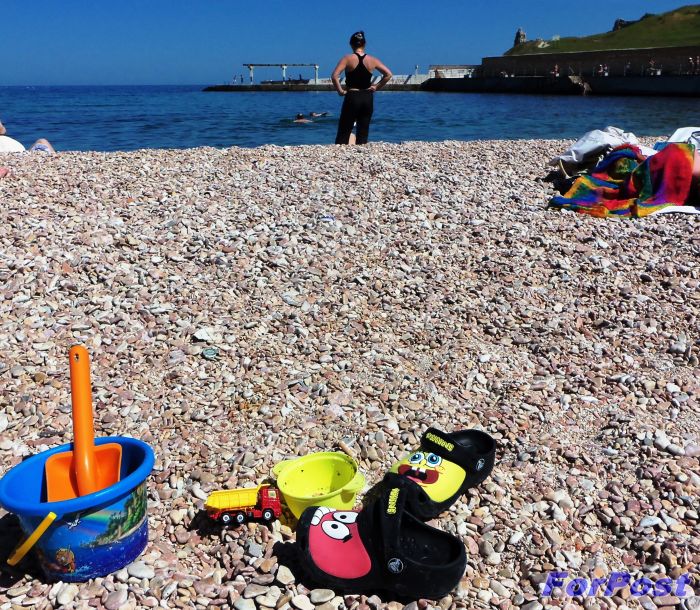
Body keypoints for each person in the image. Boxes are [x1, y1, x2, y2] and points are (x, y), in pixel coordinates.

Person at [331, 31, 392, 145]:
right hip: (367, 97)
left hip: (352, 96)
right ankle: (361, 150)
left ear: (351, 44)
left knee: (345, 128)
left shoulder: (347, 58)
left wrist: (340, 91)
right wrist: (376, 87)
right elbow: (388, 74)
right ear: (364, 44)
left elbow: (334, 76)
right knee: (363, 129)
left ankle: (340, 151)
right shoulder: (372, 60)